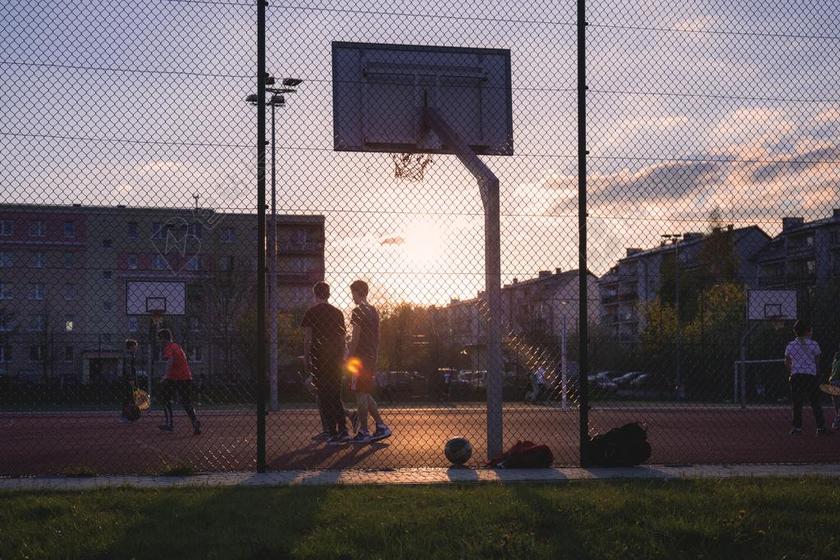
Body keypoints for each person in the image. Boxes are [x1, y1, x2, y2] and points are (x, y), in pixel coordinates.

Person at [301, 282, 351, 445]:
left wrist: (307, 359)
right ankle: (343, 430)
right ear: (328, 294)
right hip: (335, 359)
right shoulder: (337, 313)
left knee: (323, 395)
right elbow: (342, 338)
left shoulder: (310, 313)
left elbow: (308, 339)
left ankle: (331, 431)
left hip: (319, 358)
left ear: (315, 294)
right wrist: (343, 357)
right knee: (335, 394)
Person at [347, 280, 391, 443]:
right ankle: (380, 426)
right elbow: (377, 336)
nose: (352, 297)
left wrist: (349, 357)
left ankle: (364, 431)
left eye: (352, 293)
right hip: (371, 356)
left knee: (360, 393)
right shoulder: (373, 310)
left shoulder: (358, 310)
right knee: (364, 393)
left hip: (360, 358)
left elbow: (356, 336)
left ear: (358, 292)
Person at [784, 320, 828, 436]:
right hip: (810, 375)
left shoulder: (790, 345)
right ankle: (820, 427)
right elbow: (817, 362)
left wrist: (791, 372)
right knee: (815, 402)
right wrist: (817, 374)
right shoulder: (814, 344)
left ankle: (797, 428)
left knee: (797, 403)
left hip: (797, 375)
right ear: (808, 331)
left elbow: (787, 362)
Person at [157, 329, 201, 435]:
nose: (159, 341)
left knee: (165, 399)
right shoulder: (177, 346)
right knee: (186, 402)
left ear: (163, 338)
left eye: (160, 339)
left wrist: (165, 375)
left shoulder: (169, 347)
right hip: (185, 377)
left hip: (176, 378)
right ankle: (195, 422)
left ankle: (170, 424)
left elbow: (170, 360)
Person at [120, 339, 139, 422]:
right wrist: (131, 379)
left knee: (132, 398)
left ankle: (131, 415)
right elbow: (128, 368)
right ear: (131, 346)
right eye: (135, 346)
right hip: (129, 380)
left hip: (131, 379)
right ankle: (125, 416)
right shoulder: (128, 355)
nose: (136, 348)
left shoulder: (131, 355)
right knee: (129, 398)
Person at [830, 345, 840, 432]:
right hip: (835, 380)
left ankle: (837, 418)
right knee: (836, 401)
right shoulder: (837, 354)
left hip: (835, 380)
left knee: (836, 400)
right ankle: (837, 418)